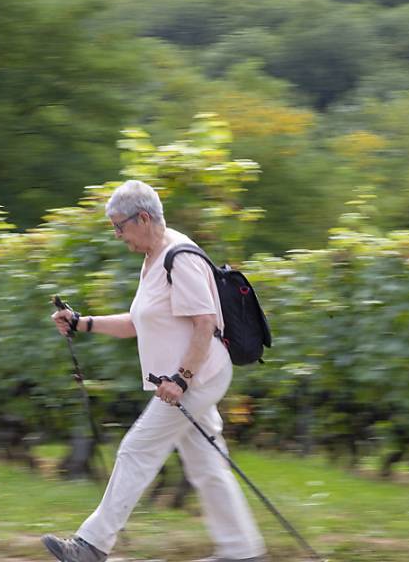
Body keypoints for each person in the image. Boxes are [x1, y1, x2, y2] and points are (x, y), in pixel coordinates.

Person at [42, 180, 268, 562]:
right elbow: (136, 323)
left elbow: (204, 323)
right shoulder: (153, 258)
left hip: (197, 379)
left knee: (135, 449)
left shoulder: (179, 258)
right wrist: (82, 322)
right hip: (184, 382)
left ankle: (91, 545)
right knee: (207, 464)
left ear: (143, 218)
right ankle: (242, 551)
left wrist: (181, 378)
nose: (117, 235)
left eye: (119, 226)